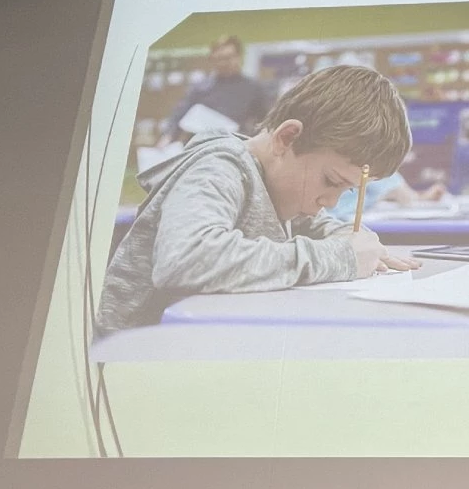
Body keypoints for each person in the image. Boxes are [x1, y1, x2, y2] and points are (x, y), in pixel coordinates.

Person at [95, 64, 420, 335]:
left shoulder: (281, 184)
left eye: (345, 190)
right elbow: (186, 259)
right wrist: (339, 257)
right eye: (331, 181)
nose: (332, 201)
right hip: (124, 360)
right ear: (287, 138)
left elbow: (318, 224)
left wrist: (351, 241)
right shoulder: (219, 167)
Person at [158, 34, 270, 143]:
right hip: (200, 146)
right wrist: (167, 137)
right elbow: (179, 114)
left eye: (228, 57)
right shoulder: (200, 87)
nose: (223, 63)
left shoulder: (253, 88)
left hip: (236, 146)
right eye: (219, 59)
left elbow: (265, 120)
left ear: (239, 57)